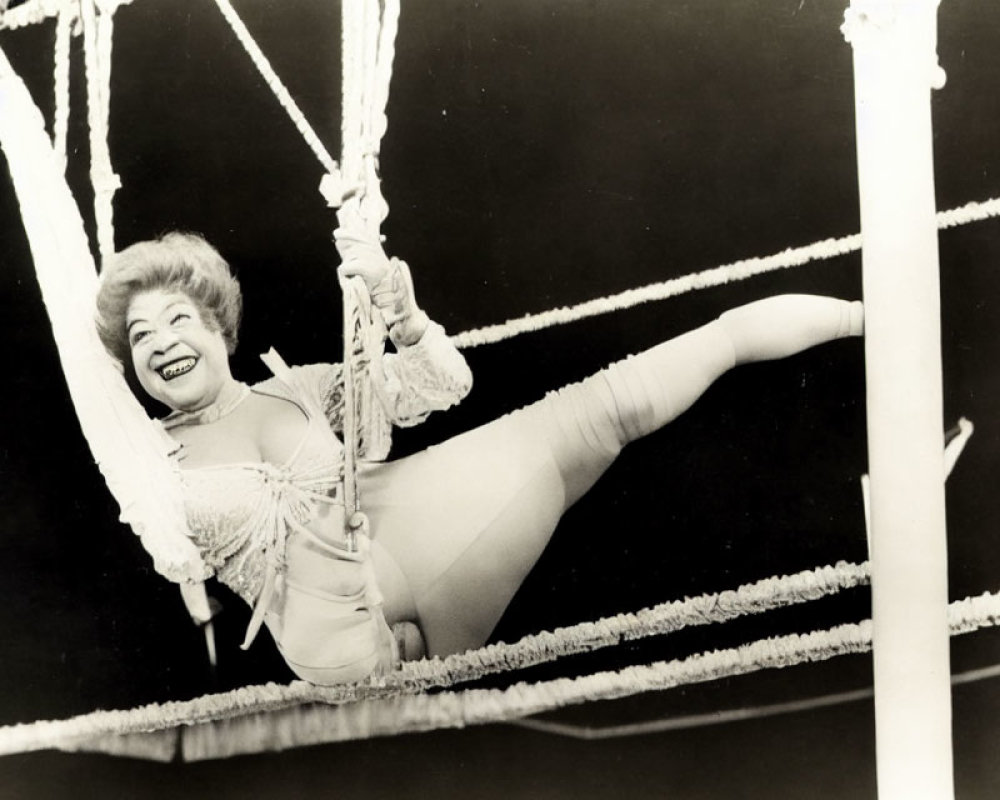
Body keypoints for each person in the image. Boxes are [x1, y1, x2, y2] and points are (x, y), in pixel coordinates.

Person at [95, 214, 864, 686]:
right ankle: (376, 641)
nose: (161, 343)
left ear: (217, 328)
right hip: (333, 639)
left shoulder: (295, 388)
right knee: (330, 551)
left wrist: (400, 311)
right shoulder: (147, 462)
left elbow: (441, 384)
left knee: (600, 412)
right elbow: (176, 555)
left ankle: (867, 314)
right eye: (140, 337)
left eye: (177, 320)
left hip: (424, 557)